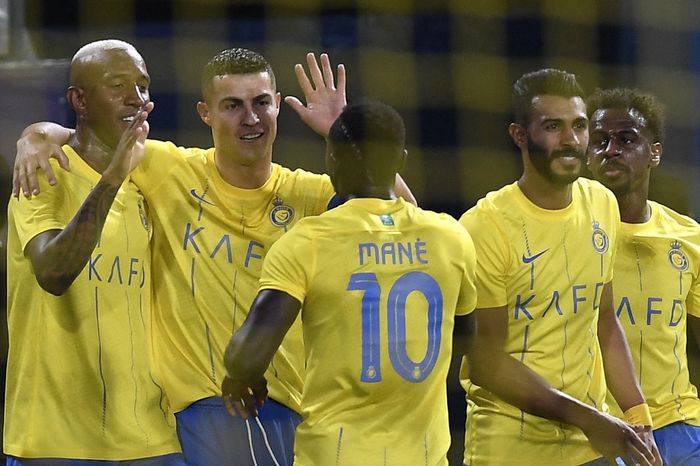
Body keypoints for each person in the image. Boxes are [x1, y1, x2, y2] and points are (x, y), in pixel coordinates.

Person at [12, 46, 415, 466]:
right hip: (203, 407)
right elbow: (93, 137)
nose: (250, 118)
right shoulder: (168, 167)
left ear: (278, 106)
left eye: (261, 103)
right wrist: (37, 135)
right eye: (232, 106)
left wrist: (339, 132)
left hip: (285, 401)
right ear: (205, 113)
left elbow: (409, 226)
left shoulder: (308, 193)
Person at [222, 100, 661, 466]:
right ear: (401, 163)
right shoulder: (448, 238)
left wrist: (244, 377)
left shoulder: (307, 241)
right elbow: (477, 352)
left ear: (331, 160)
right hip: (425, 454)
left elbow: (247, 353)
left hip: (335, 453)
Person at [458, 69, 662, 465]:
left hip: (589, 448)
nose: (571, 141)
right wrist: (590, 419)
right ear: (520, 135)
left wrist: (639, 419)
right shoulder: (485, 226)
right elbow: (487, 362)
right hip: (510, 450)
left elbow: (604, 322)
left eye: (579, 126)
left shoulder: (602, 203)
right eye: (554, 126)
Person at [4, 40, 184, 465]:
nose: (135, 99)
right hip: (54, 442)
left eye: (142, 86)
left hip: (149, 440)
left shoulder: (154, 177)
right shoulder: (43, 174)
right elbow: (53, 272)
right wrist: (111, 177)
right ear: (79, 100)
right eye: (117, 85)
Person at [587, 87, 700, 465]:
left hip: (681, 427)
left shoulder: (689, 238)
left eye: (626, 138)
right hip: (599, 432)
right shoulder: (566, 238)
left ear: (655, 152)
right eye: (599, 141)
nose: (610, 150)